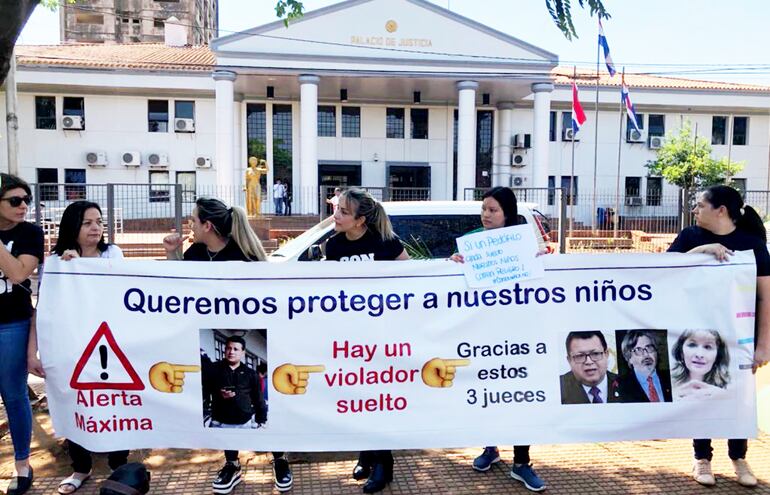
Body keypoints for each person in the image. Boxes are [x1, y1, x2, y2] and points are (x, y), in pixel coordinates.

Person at [162, 198, 292, 494]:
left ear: (207, 225)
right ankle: (231, 462)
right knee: (226, 406)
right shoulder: (196, 252)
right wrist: (173, 255)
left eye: (193, 220)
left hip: (257, 332)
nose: (189, 226)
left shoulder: (243, 256)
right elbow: (179, 290)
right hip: (210, 330)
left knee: (266, 405)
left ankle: (279, 457)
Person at [667, 184, 769, 487]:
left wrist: (764, 346)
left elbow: (766, 297)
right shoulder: (690, 237)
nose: (695, 210)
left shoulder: (752, 244)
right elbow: (664, 269)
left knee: (739, 398)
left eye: (700, 205)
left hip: (741, 337)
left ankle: (738, 457)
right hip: (698, 333)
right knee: (701, 393)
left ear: (720, 210)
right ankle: (702, 459)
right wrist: (702, 252)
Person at [450, 187, 546, 492]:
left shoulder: (523, 239)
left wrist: (544, 258)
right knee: (489, 391)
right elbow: (461, 277)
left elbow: (541, 275)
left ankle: (522, 462)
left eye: (492, 210)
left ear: (507, 212)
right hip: (485, 332)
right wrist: (454, 263)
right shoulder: (475, 239)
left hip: (518, 333)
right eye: (484, 209)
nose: (486, 215)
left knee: (519, 395)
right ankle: (490, 448)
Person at [324, 188, 408, 493]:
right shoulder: (332, 247)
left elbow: (414, 279)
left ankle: (384, 464)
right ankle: (366, 454)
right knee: (359, 399)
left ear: (360, 220)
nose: (337, 215)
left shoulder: (385, 243)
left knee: (379, 401)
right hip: (350, 340)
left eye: (344, 212)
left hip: (382, 339)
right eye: (337, 209)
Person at [47, 201, 128, 494]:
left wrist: (82, 268)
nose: (96, 228)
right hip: (73, 346)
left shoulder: (112, 253)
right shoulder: (56, 261)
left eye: (99, 221)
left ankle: (120, 466)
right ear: (72, 227)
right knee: (77, 403)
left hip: (110, 342)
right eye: (88, 223)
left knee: (115, 401)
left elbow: (119, 289)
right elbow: (47, 308)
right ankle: (81, 468)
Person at [0, 174, 43, 495]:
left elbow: (17, 273)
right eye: (14, 200)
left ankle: (22, 466)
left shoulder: (29, 233)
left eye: (26, 200)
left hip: (12, 324)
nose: (23, 206)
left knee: (14, 396)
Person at [559, 331, 621, 404]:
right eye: (580, 356)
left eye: (595, 353)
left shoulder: (626, 384)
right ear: (569, 360)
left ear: (606, 354)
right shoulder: (558, 387)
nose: (589, 361)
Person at [671, 329, 729, 400]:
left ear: (717, 356)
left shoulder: (729, 391)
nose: (699, 354)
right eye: (692, 345)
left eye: (708, 347)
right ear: (681, 353)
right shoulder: (666, 389)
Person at [616, 330, 672, 403]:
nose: (646, 354)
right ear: (629, 358)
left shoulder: (672, 378)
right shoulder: (620, 387)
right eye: (638, 350)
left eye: (649, 347)